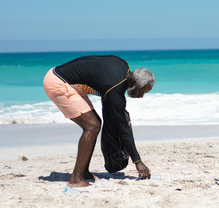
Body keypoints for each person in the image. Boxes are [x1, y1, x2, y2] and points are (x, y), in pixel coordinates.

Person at [43, 55, 154, 187]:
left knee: (95, 123)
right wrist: (138, 162)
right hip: (58, 83)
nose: (141, 96)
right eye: (141, 91)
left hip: (60, 75)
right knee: (92, 126)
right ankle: (76, 179)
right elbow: (123, 130)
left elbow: (100, 75)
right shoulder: (114, 90)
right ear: (132, 83)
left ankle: (84, 172)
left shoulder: (123, 65)